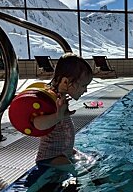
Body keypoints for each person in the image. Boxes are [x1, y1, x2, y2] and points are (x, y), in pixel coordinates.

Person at [26, 52, 93, 190]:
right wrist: (57, 116)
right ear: (65, 82)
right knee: (81, 174)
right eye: (83, 85)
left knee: (91, 163)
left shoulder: (60, 98)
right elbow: (37, 123)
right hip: (51, 156)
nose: (85, 90)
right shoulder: (50, 100)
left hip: (64, 151)